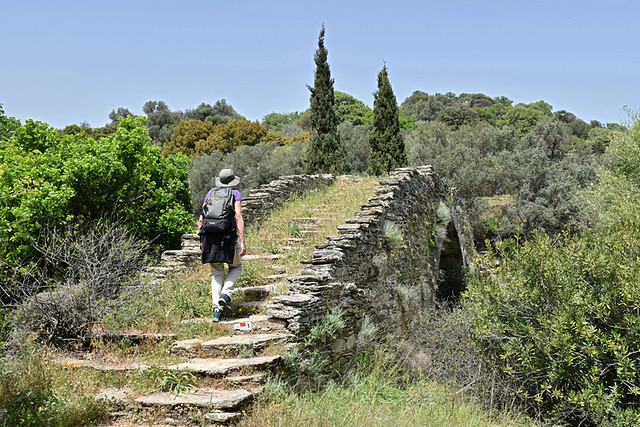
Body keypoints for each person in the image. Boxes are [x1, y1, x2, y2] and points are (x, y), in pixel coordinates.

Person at [197, 169, 246, 322]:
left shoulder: (210, 193)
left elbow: (201, 217)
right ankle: (225, 295)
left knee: (216, 274)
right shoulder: (234, 194)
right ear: (232, 181)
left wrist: (201, 241)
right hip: (227, 238)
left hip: (209, 239)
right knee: (236, 267)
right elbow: (238, 217)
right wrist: (243, 242)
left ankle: (216, 310)